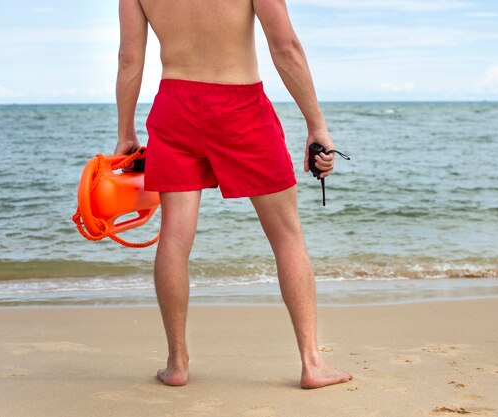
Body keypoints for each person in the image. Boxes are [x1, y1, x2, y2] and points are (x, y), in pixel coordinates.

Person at [113, 0, 352, 389]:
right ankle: (311, 363)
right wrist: (316, 125)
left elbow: (128, 60)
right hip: (240, 105)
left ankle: (177, 362)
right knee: (286, 235)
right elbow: (285, 46)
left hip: (175, 107)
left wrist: (126, 133)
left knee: (175, 237)